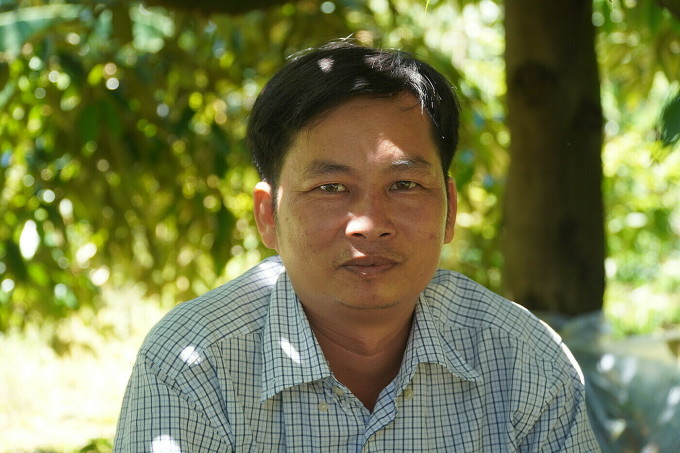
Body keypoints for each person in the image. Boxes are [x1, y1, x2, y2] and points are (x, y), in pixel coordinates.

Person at [113, 42, 600, 452]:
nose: (370, 225)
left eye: (405, 184)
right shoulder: (195, 366)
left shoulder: (522, 358)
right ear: (268, 217)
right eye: (330, 188)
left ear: (449, 207)